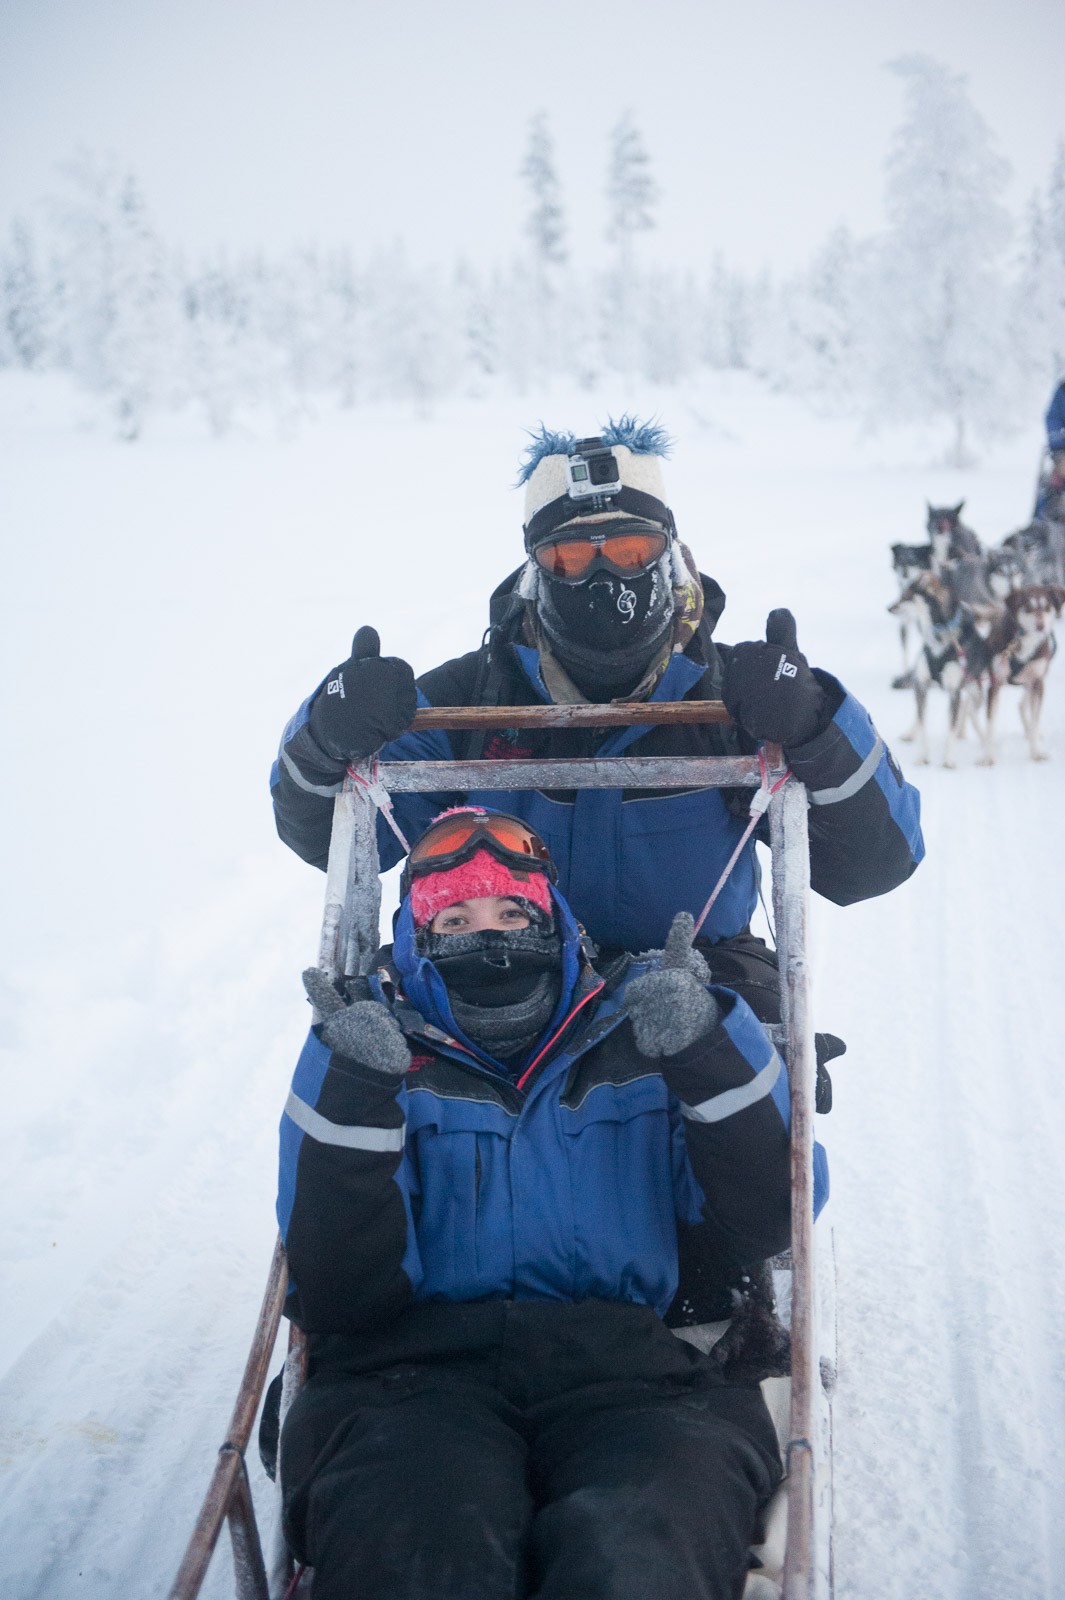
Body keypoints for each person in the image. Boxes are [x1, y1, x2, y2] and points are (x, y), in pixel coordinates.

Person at [276, 807, 827, 1600]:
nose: (487, 937)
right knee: (423, 1554)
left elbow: (763, 1219)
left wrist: (706, 1048)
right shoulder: (375, 1048)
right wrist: (355, 1091)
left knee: (636, 1552)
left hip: (639, 1377)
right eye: (455, 918)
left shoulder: (644, 1024)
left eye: (510, 912)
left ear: (554, 921)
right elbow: (336, 1292)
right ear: (416, 939)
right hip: (411, 1382)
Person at [270, 419, 924, 985]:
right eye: (572, 556)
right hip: (496, 986)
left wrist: (815, 726)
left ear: (668, 560)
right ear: (535, 571)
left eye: (630, 550)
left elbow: (875, 864)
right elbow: (331, 840)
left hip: (710, 982)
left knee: (754, 1116)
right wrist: (326, 732)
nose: (604, 575)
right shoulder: (470, 702)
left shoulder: (734, 700)